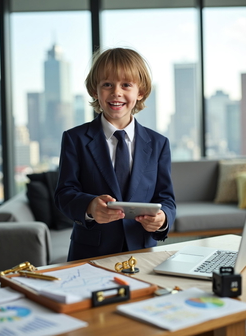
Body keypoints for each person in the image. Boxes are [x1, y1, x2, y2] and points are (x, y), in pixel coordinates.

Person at [54, 47, 176, 261]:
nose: (116, 92)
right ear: (95, 91)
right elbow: (64, 193)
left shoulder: (159, 144)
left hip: (142, 252)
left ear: (141, 92)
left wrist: (163, 218)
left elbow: (165, 198)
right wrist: (90, 207)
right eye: (107, 84)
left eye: (126, 85)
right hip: (90, 254)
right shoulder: (75, 139)